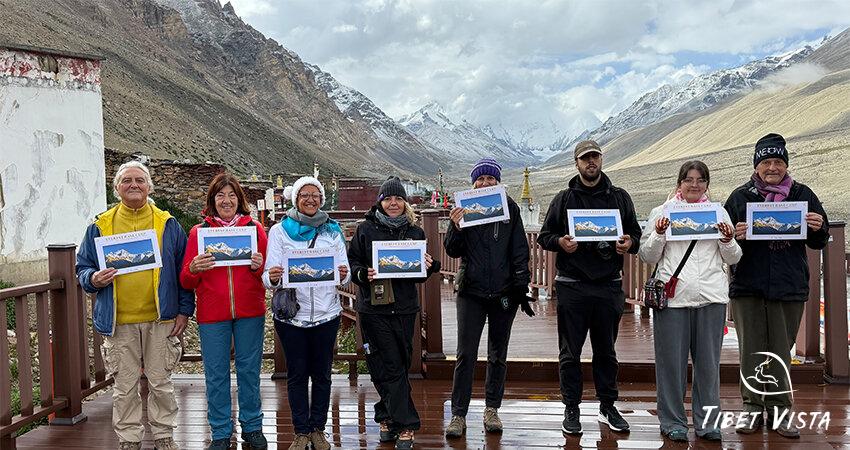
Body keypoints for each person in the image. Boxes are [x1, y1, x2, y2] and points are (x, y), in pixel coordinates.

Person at [76, 161, 194, 450]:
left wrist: (183, 310)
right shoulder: (99, 226)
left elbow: (183, 270)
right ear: (116, 188)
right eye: (126, 180)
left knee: (161, 384)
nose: (134, 185)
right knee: (124, 387)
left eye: (140, 180)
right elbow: (82, 268)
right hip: (119, 322)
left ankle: (164, 436)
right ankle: (129, 440)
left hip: (160, 319)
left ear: (149, 187)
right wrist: (94, 278)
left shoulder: (167, 223)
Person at [724, 133, 829, 438]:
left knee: (782, 350)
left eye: (778, 162)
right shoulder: (739, 197)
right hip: (748, 286)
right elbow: (723, 245)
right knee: (752, 350)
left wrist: (818, 227)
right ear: (756, 166)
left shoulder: (803, 193)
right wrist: (733, 235)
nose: (772, 167)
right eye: (766, 162)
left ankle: (781, 411)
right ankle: (753, 409)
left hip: (789, 285)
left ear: (786, 164)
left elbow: (819, 240)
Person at [537, 140, 641, 435]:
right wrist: (560, 243)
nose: (590, 162)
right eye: (585, 158)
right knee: (570, 353)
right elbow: (545, 236)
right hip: (572, 286)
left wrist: (628, 243)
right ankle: (571, 408)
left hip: (609, 286)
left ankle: (608, 406)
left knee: (606, 352)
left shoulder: (620, 198)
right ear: (577, 163)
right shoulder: (563, 199)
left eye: (594, 156)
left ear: (601, 160)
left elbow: (635, 234)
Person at [639, 160, 742, 442]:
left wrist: (728, 240)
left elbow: (734, 258)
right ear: (679, 183)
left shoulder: (720, 212)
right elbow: (647, 256)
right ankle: (672, 422)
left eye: (700, 180)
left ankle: (708, 423)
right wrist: (659, 234)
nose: (694, 185)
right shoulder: (661, 212)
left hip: (711, 298)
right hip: (674, 299)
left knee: (708, 366)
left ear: (707, 184)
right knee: (671, 365)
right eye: (689, 179)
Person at [347, 176, 441, 449]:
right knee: (382, 362)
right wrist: (363, 274)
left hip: (404, 307)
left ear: (405, 202)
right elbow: (352, 263)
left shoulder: (415, 233)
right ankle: (407, 425)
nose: (393, 203)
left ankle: (385, 416)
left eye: (398, 198)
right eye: (388, 198)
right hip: (373, 308)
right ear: (380, 201)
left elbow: (420, 277)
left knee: (397, 363)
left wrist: (429, 265)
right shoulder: (365, 230)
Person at [443, 158, 532, 438]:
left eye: (490, 179)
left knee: (498, 355)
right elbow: (452, 250)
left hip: (503, 293)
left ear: (498, 181)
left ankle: (492, 409)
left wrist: (520, 285)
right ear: (473, 184)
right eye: (479, 180)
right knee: (465, 354)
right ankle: (458, 414)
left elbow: (520, 248)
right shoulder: (463, 210)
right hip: (471, 291)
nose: (484, 183)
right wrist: (455, 227)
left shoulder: (510, 209)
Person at [179, 173, 269, 450]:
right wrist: (193, 268)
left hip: (250, 311)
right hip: (212, 314)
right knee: (216, 374)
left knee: (249, 372)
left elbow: (268, 276)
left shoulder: (255, 230)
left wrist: (258, 267)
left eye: (231, 195)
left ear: (239, 199)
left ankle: (252, 428)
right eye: (220, 195)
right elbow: (185, 279)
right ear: (212, 201)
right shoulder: (198, 233)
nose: (226, 200)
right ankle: (220, 431)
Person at [263, 176, 351, 450]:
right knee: (298, 375)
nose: (311, 199)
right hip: (293, 318)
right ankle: (301, 430)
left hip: (327, 314)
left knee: (323, 374)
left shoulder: (333, 231)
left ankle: (318, 429)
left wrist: (343, 275)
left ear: (322, 200)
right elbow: (267, 277)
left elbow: (344, 277)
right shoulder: (279, 231)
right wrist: (274, 277)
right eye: (305, 195)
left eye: (315, 195)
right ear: (296, 199)